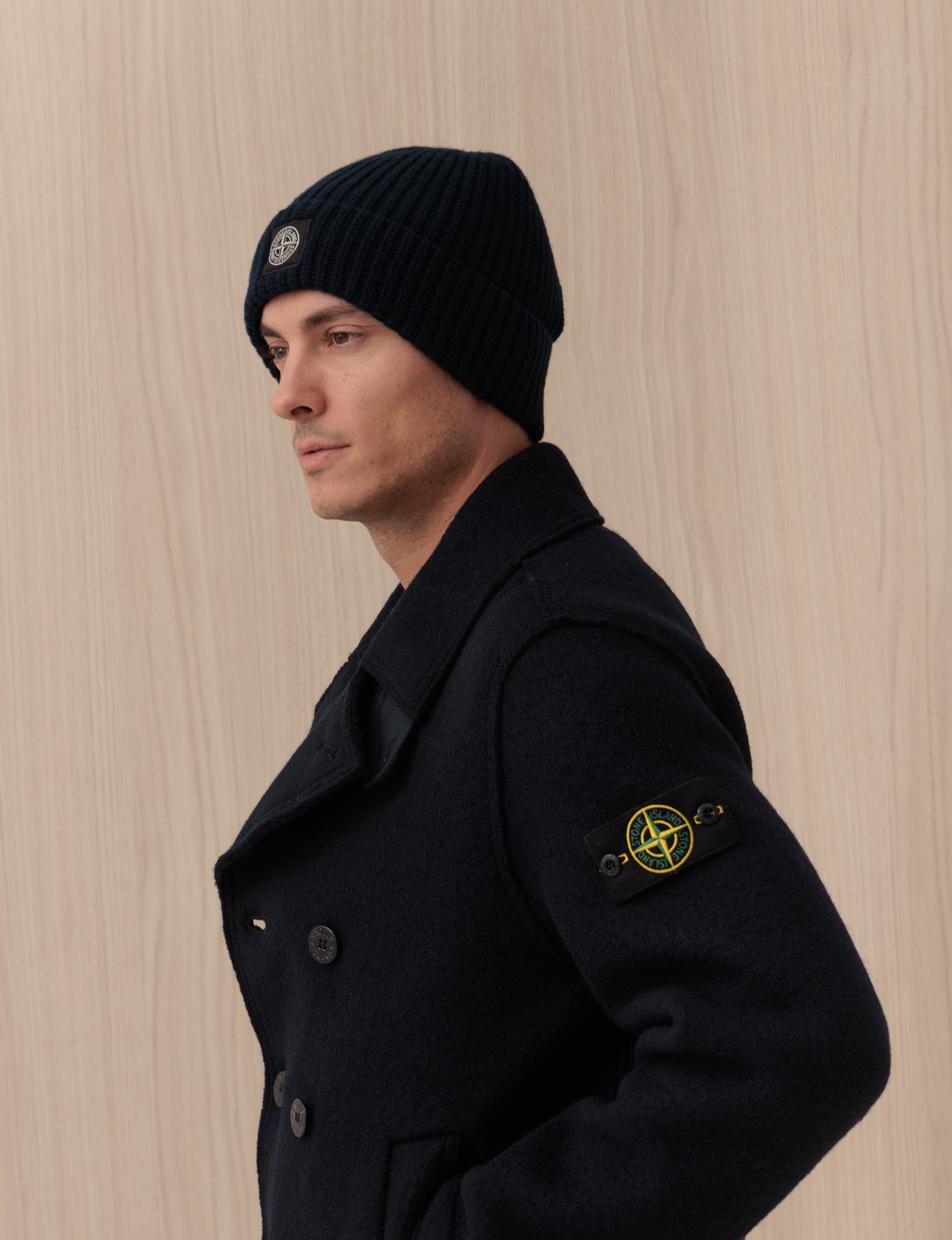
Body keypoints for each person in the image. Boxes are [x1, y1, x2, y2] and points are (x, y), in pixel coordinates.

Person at [213, 146, 890, 1240]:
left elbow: (786, 1037)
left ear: (469, 345)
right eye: (276, 348)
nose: (289, 394)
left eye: (341, 336)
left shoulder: (564, 657)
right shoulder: (459, 637)